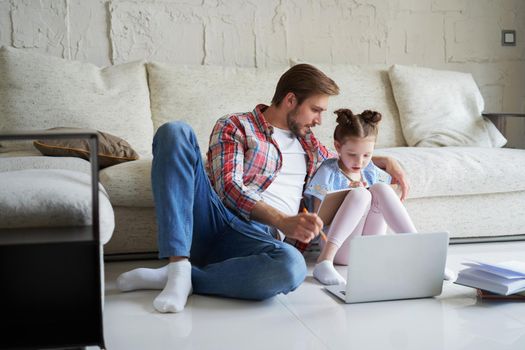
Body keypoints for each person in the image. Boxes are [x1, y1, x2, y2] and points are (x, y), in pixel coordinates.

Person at [116, 64, 409, 313]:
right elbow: (228, 186)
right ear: (291, 100)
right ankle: (178, 264)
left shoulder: (309, 143)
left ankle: (186, 277)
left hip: (255, 243)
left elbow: (345, 160)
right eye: (315, 110)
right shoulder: (236, 126)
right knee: (175, 131)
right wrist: (283, 220)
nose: (320, 120)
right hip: (216, 220)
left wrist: (384, 160)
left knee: (291, 267)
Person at [303, 108, 417, 285]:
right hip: (338, 246)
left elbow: (386, 203)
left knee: (381, 189)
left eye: (367, 155)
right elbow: (318, 218)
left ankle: (420, 251)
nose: (360, 162)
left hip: (369, 248)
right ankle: (324, 261)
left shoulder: (370, 169)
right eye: (352, 155)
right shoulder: (328, 172)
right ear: (338, 147)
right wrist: (350, 197)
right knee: (361, 194)